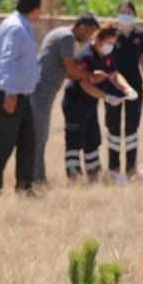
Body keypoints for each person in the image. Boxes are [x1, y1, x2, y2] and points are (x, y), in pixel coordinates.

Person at [0, 0, 42, 194]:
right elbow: (6, 60)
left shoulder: (20, 25)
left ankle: (24, 187)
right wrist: (10, 91)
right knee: (5, 143)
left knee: (28, 142)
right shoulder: (16, 28)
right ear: (34, 9)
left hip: (20, 95)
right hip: (6, 94)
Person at [30, 13, 102, 184]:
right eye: (89, 33)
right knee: (39, 136)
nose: (89, 38)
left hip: (43, 91)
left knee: (41, 135)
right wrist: (91, 76)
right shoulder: (67, 37)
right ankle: (35, 177)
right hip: (41, 91)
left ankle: (37, 175)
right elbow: (70, 70)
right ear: (82, 28)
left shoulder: (62, 33)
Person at [62, 23, 136, 180]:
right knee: (74, 139)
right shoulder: (85, 56)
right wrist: (107, 97)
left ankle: (93, 174)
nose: (112, 47)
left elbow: (114, 75)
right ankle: (74, 175)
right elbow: (84, 83)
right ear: (100, 40)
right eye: (110, 43)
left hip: (90, 103)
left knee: (92, 138)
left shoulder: (106, 56)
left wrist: (127, 89)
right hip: (76, 102)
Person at [107, 0, 143, 178]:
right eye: (122, 11)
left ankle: (130, 168)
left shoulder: (140, 36)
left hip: (135, 87)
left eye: (129, 11)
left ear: (134, 14)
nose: (125, 14)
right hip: (113, 87)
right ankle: (113, 167)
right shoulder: (111, 33)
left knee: (131, 128)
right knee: (113, 126)